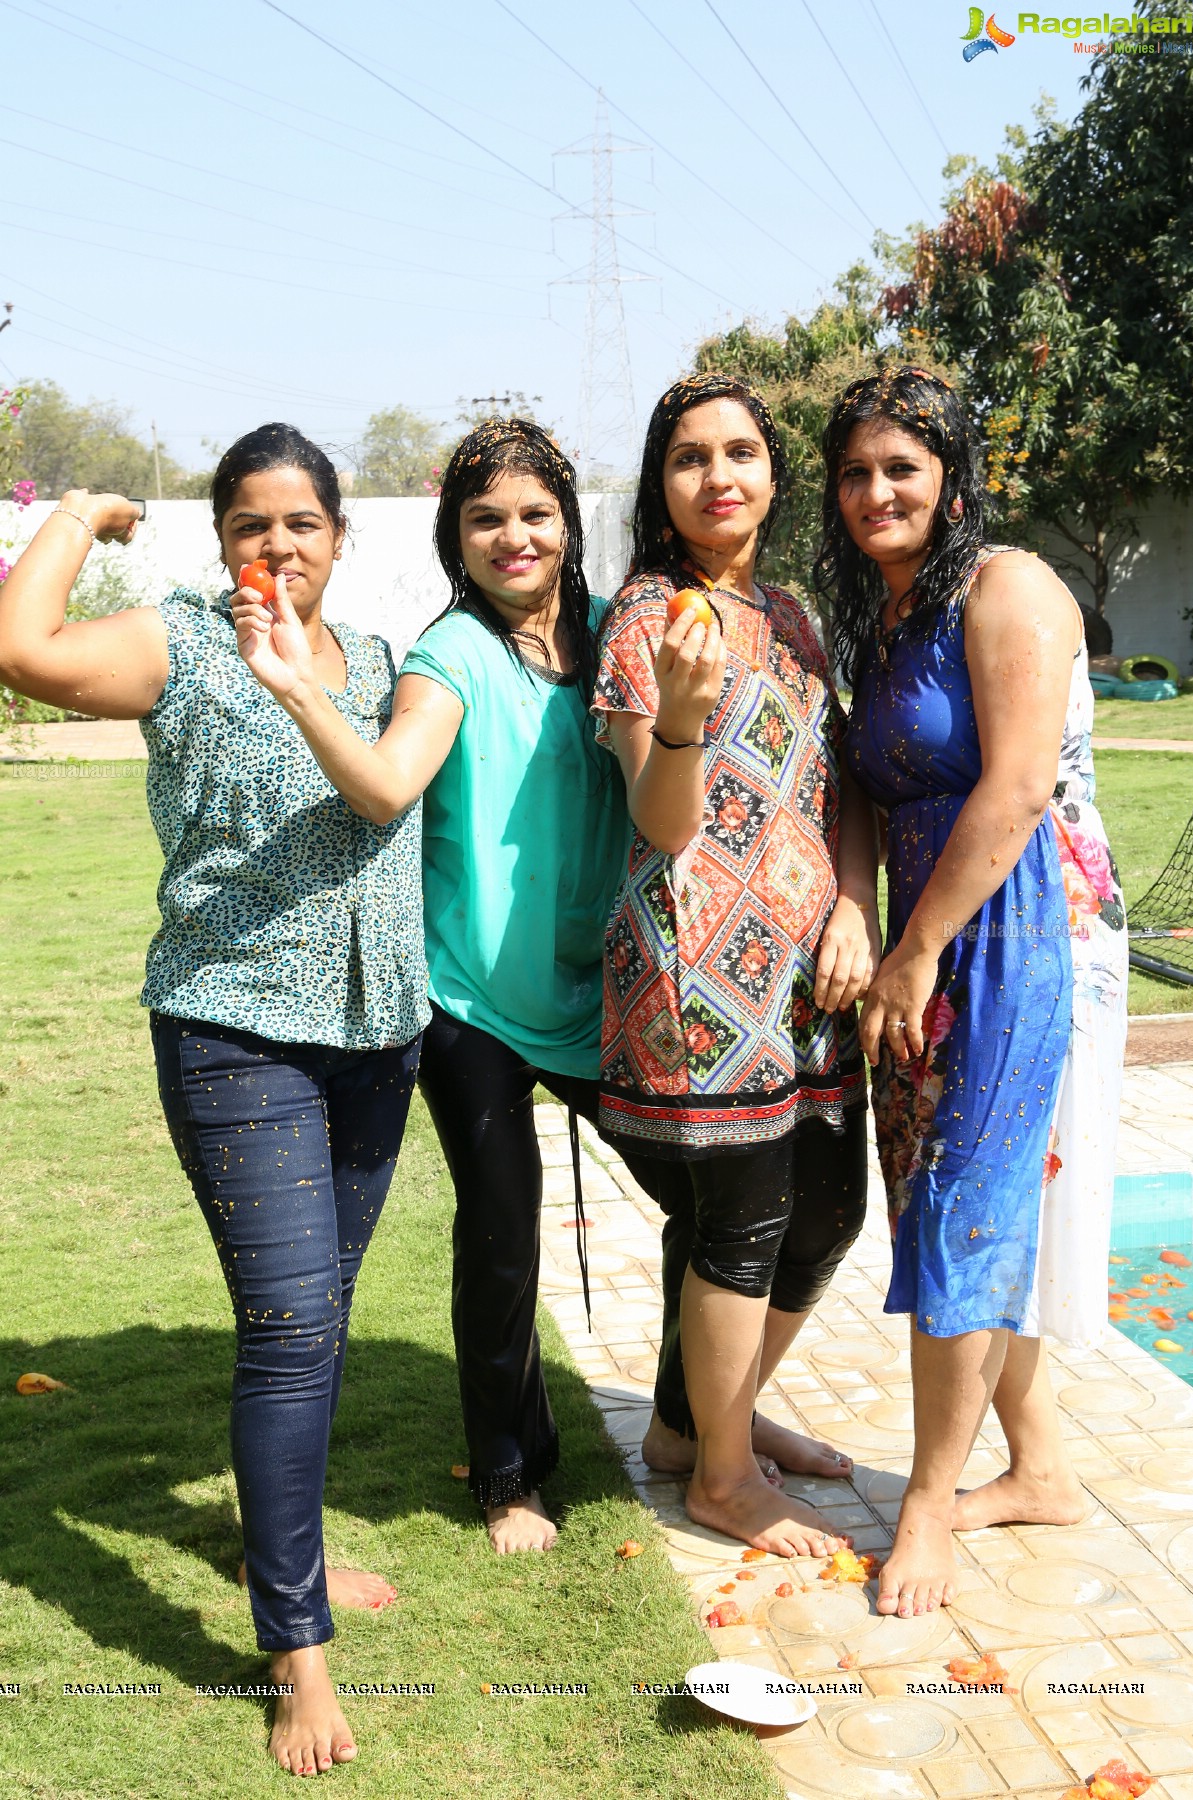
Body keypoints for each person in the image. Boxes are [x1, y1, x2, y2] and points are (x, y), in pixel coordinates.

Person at [0, 424, 428, 1776]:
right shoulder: (179, 642)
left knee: (321, 1317)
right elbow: (22, 648)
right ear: (223, 539)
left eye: (302, 522)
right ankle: (293, 1647)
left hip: (378, 1037)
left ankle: (282, 1545)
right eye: (252, 523)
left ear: (341, 539)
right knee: (293, 1328)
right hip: (238, 1034)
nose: (277, 545)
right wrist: (78, 514)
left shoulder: (375, 663)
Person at [233, 417, 635, 1556]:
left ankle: (695, 1420)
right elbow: (386, 785)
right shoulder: (448, 654)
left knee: (721, 1195)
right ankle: (508, 1474)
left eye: (535, 513)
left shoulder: (617, 636)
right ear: (456, 537)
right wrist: (299, 695)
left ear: (569, 521)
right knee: (504, 1236)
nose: (514, 536)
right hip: (472, 1006)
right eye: (485, 518)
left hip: (604, 997)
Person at [815, 366, 1128, 1618]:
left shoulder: (1012, 589)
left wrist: (914, 948)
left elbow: (1014, 792)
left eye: (902, 466)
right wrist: (863, 912)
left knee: (966, 1209)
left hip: (1015, 933)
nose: (876, 491)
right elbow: (861, 788)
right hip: (930, 929)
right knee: (947, 1205)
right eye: (854, 472)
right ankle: (1040, 1468)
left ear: (951, 477)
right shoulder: (888, 621)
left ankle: (929, 1504)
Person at [591, 373, 881, 1558]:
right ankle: (720, 1475)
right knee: (748, 1219)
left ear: (772, 473)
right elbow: (660, 823)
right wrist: (680, 718)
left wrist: (856, 904)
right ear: (663, 489)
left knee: (832, 1213)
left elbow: (844, 782)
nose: (720, 475)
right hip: (696, 970)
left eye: (742, 453)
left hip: (813, 968)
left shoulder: (801, 616)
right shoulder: (645, 619)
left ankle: (695, 1422)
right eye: (691, 457)